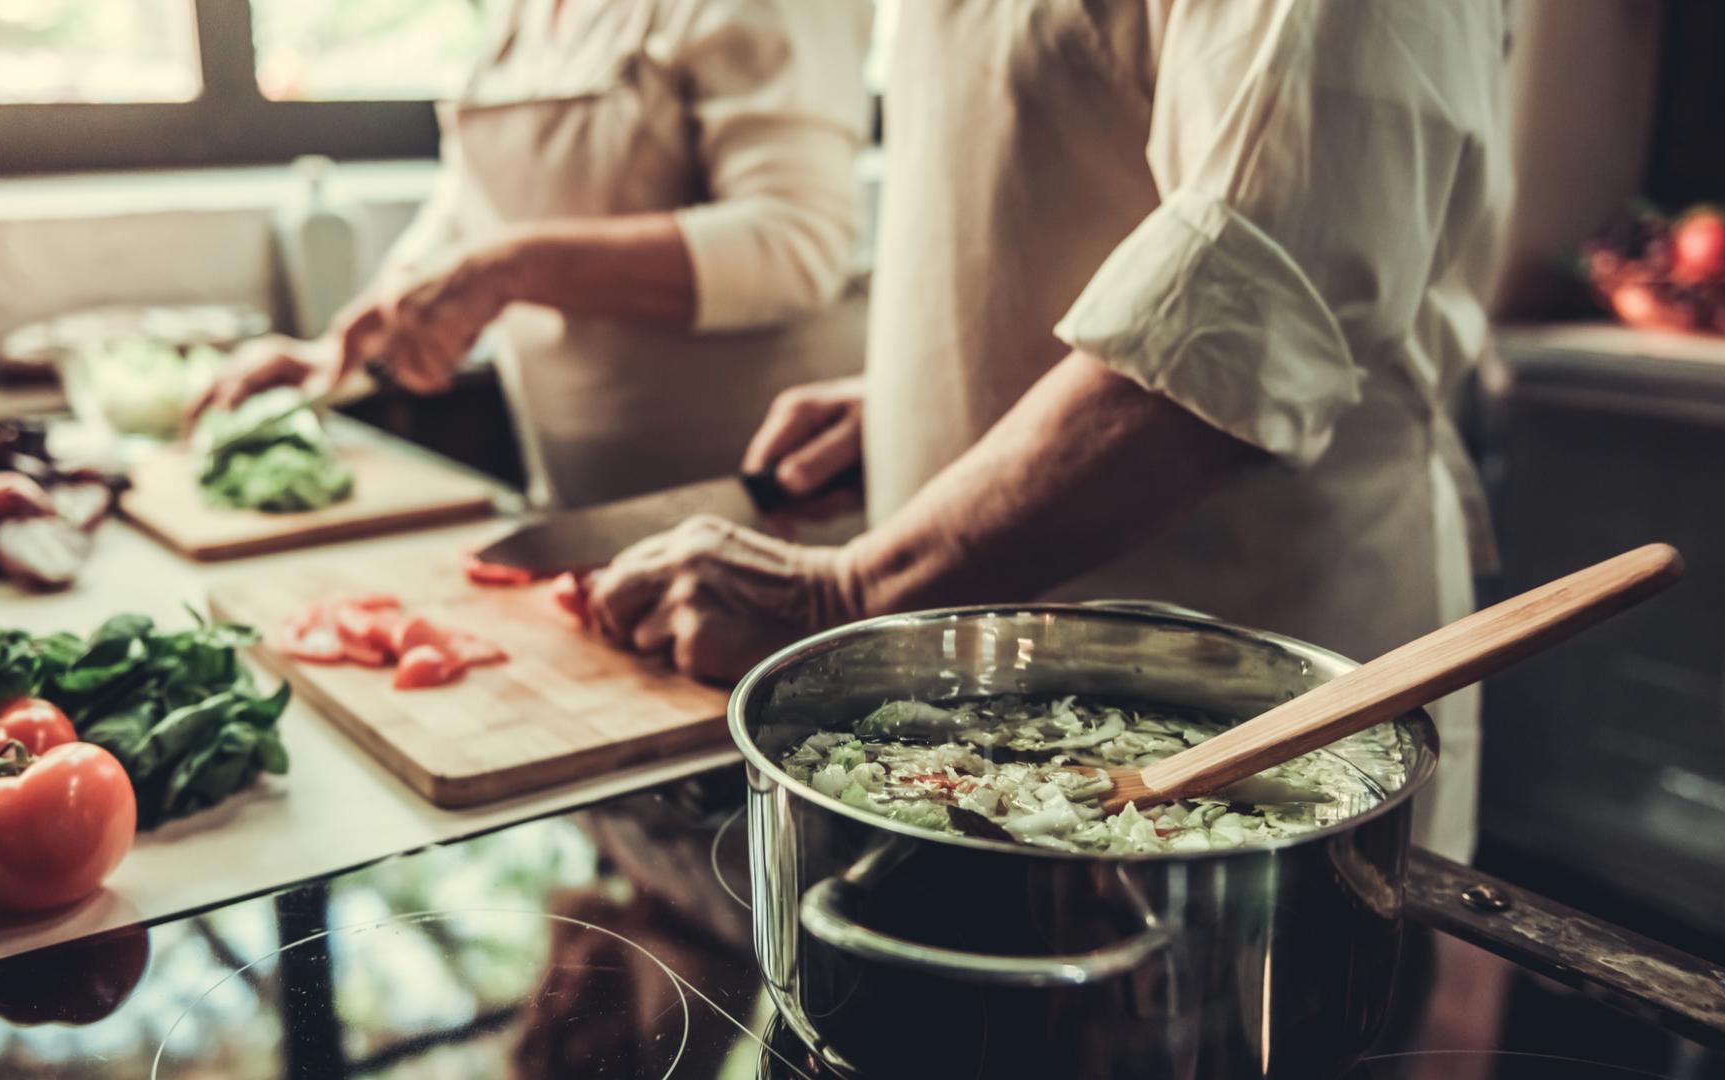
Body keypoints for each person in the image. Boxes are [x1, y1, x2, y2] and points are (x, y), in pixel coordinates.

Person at [585, 0, 1512, 862]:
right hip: (981, 729)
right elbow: (1063, 165)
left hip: (1252, 728)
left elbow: (1252, 306)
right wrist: (922, 395)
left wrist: (843, 592)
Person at [196, 0, 871, 508]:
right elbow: (470, 209)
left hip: (771, 503)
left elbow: (798, 242)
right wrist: (339, 353)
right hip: (577, 504)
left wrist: (515, 267)